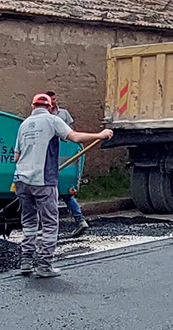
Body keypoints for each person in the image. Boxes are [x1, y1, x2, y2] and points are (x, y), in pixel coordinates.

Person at [14, 93, 113, 278]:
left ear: (32, 106)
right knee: (50, 222)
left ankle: (26, 261)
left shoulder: (23, 125)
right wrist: (100, 135)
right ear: (51, 107)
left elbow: (16, 156)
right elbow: (74, 137)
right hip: (43, 180)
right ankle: (44, 265)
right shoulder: (52, 120)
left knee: (29, 222)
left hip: (21, 179)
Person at [45, 90, 88, 237]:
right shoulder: (44, 117)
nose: (53, 102)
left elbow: (70, 133)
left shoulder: (63, 114)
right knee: (58, 194)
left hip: (62, 159)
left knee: (63, 193)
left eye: (54, 99)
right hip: (51, 160)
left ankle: (77, 221)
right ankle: (72, 222)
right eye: (51, 100)